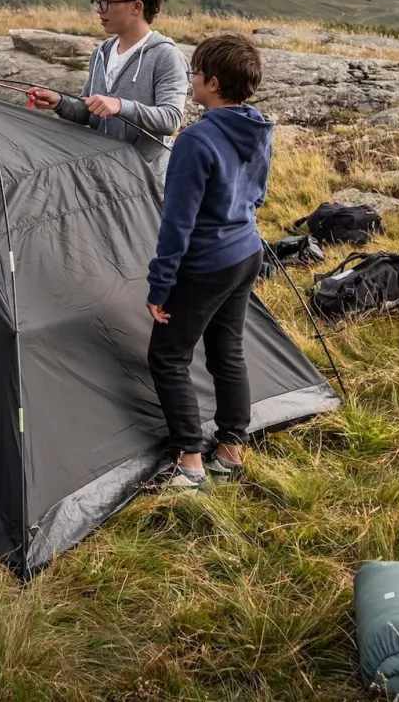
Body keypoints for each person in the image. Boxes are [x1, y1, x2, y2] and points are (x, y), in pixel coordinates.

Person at [143, 32, 273, 491]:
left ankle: (190, 461)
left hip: (206, 264)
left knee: (167, 356)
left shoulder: (195, 141)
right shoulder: (259, 127)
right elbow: (258, 193)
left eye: (194, 73)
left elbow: (176, 225)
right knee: (227, 350)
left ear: (212, 83)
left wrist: (160, 287)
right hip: (246, 251)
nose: (190, 80)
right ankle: (231, 450)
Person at [27, 0, 187, 184]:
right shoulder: (101, 52)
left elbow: (170, 120)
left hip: (144, 184)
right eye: (98, 2)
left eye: (108, 2)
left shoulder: (165, 56)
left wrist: (121, 106)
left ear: (136, 7)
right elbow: (86, 112)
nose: (99, 10)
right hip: (99, 177)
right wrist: (59, 102)